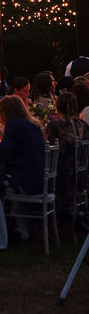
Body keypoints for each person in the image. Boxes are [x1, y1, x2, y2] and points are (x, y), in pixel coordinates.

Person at [0, 95, 47, 241]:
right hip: (40, 180)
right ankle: (20, 229)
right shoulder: (32, 124)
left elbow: (5, 151)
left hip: (25, 181)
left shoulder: (14, 124)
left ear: (5, 111)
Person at [45, 91, 89, 221]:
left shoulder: (55, 125)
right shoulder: (84, 125)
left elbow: (48, 147)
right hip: (82, 174)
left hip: (61, 174)